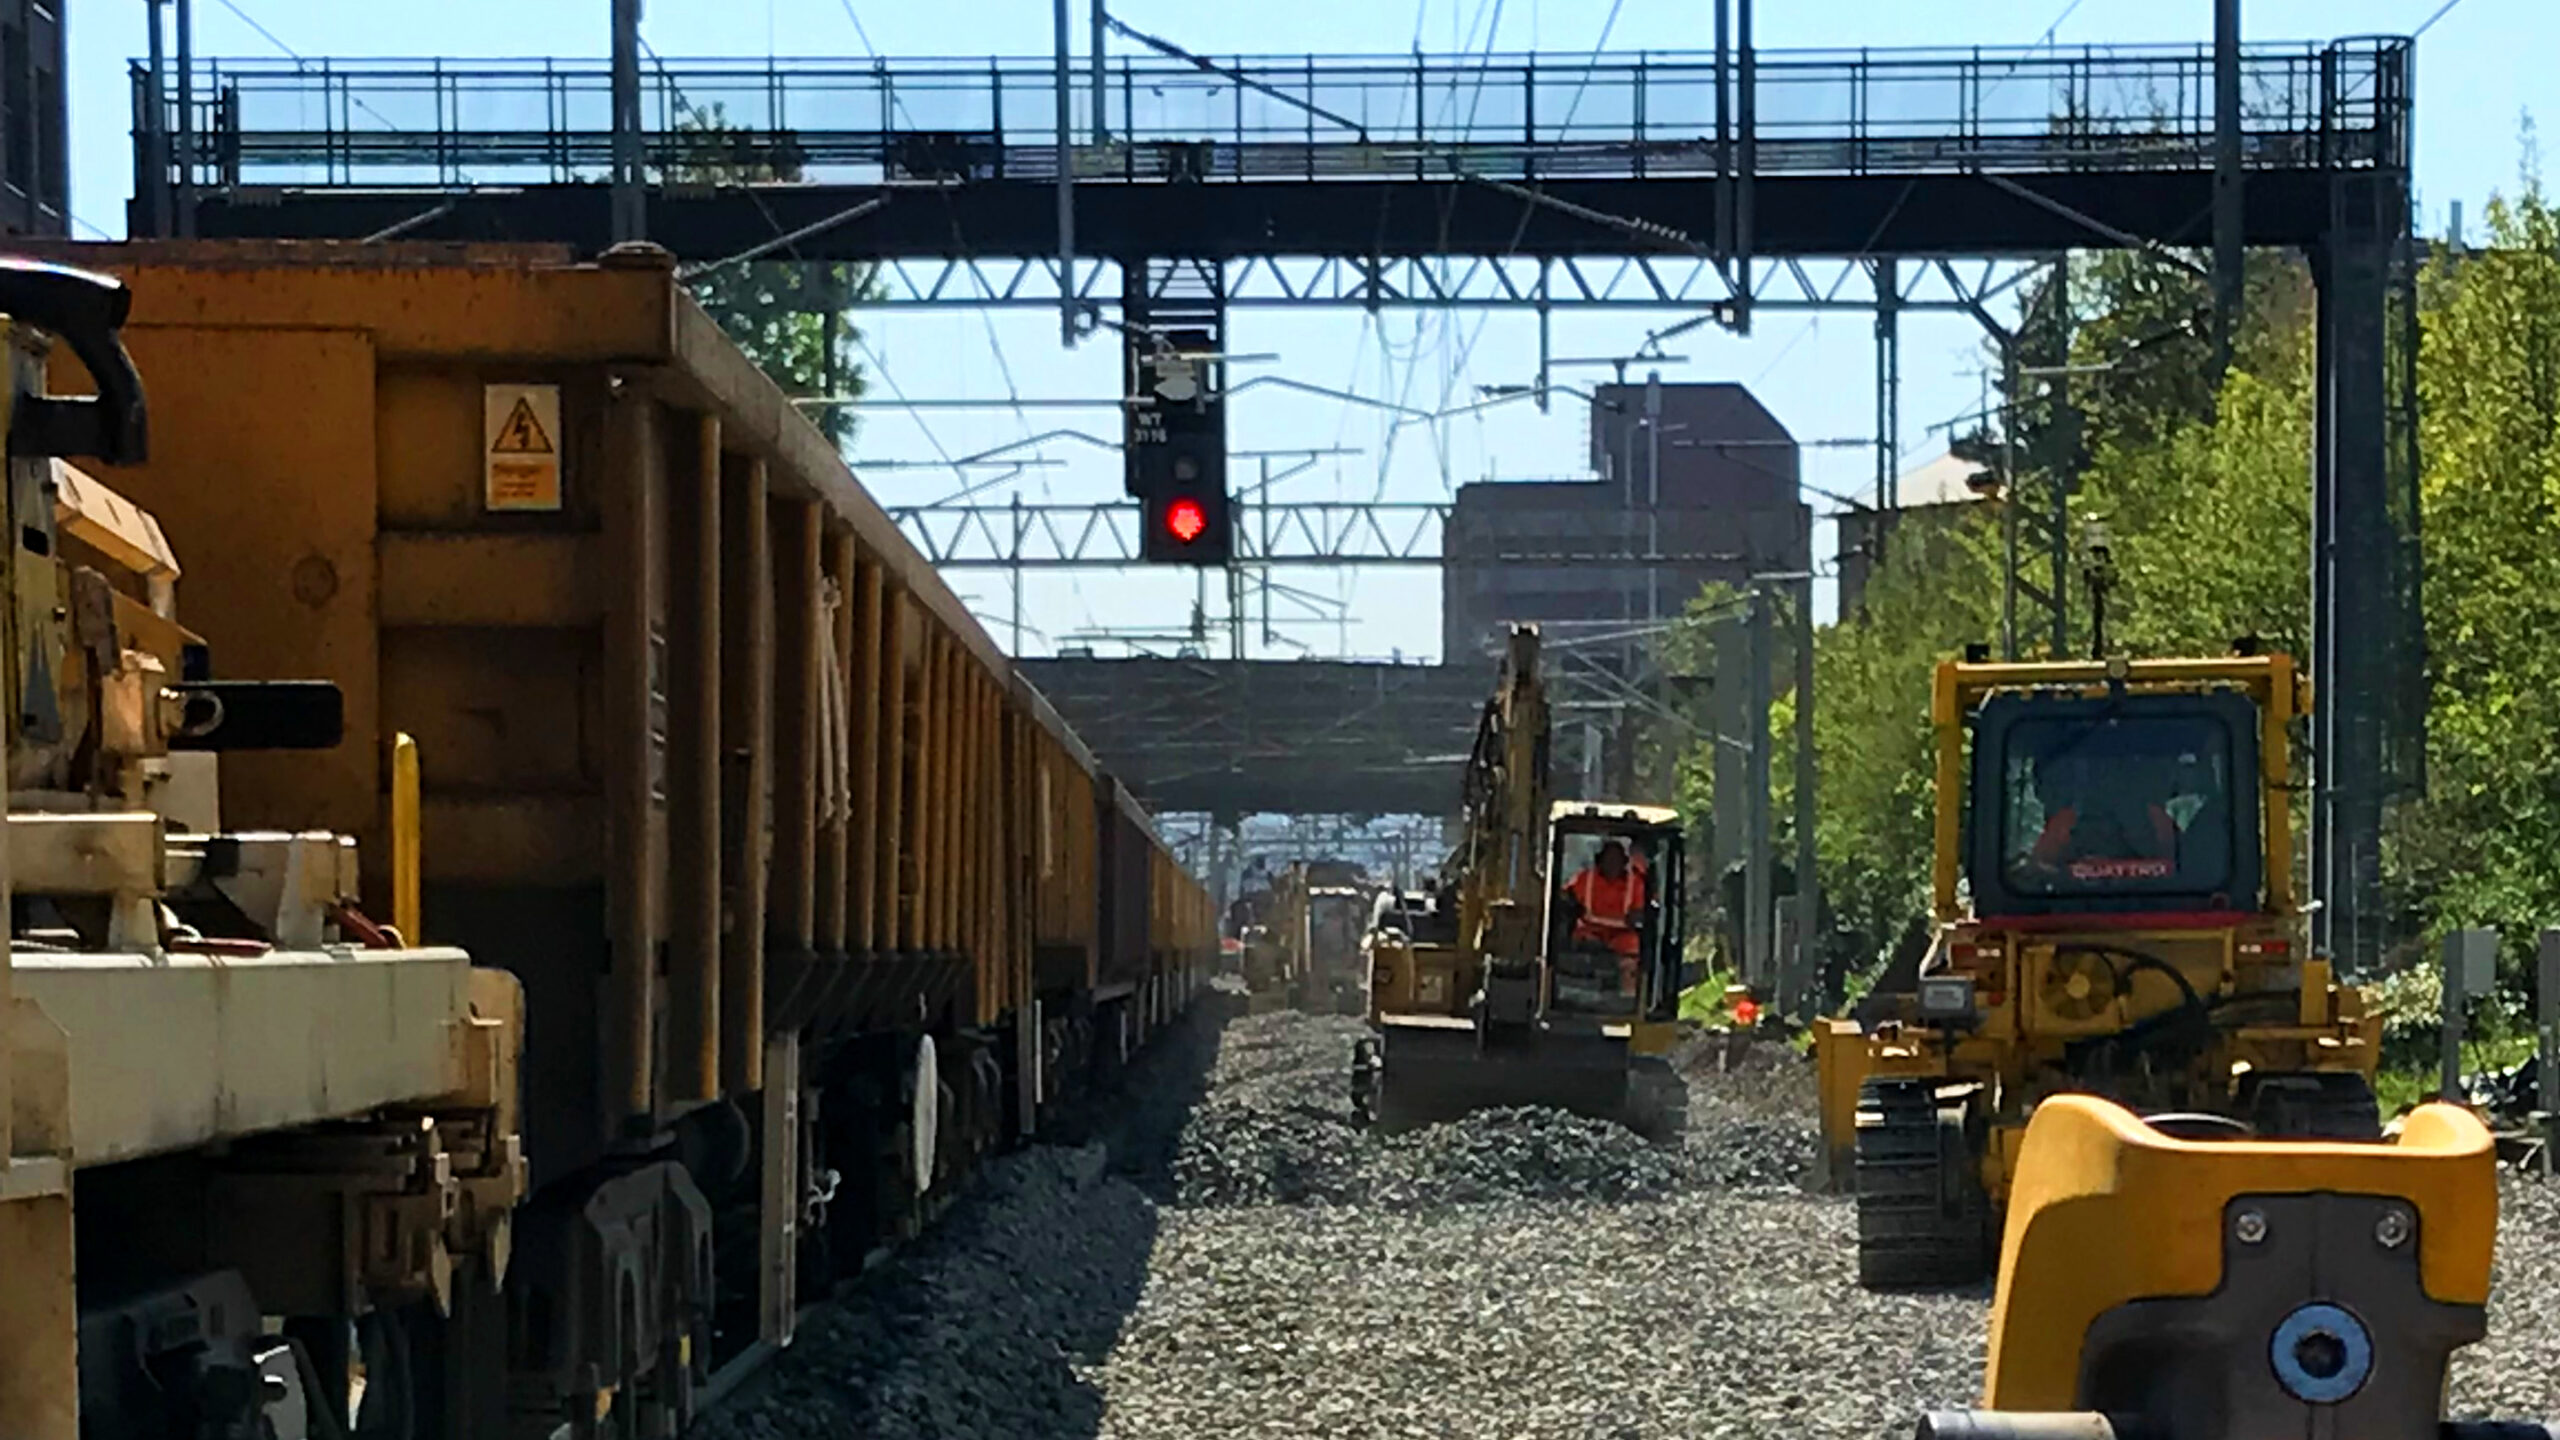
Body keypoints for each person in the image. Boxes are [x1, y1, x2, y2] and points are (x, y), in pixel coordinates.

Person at [1562, 839, 1648, 994]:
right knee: (1578, 954)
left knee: (1632, 957)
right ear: (1599, 860)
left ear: (1624, 862)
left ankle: (1630, 1002)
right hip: (1590, 933)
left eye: (1617, 859)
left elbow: (1641, 911)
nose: (1612, 864)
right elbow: (1564, 896)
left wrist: (1637, 916)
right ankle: (1574, 993)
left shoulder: (1636, 883)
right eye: (1608, 859)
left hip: (1622, 936)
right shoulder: (1584, 879)